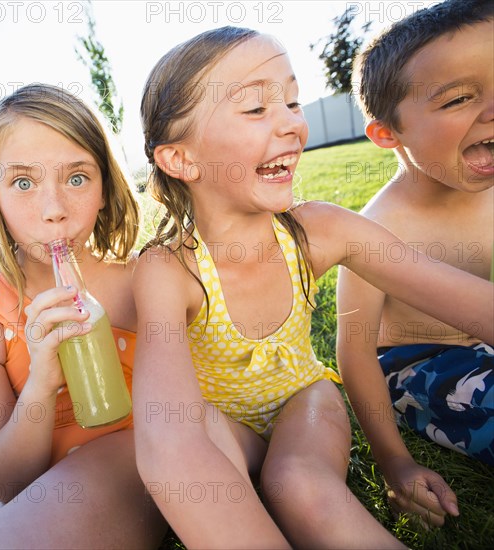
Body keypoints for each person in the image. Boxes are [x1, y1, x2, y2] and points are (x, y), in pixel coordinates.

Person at [132, 26, 493, 549]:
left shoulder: (319, 231)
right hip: (223, 426)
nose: (291, 123)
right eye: (256, 109)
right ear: (181, 160)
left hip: (306, 401)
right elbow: (169, 434)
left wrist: (394, 462)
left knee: (296, 483)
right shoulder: (168, 269)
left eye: (292, 101)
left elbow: (467, 301)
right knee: (200, 442)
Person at [0, 84, 166, 548]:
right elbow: (4, 483)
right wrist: (42, 382)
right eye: (23, 183)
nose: (53, 212)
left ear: (106, 186)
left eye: (77, 178)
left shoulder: (145, 281)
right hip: (28, 495)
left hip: (140, 474)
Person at [336, 0, 494, 528]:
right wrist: (394, 462)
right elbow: (354, 354)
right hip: (421, 366)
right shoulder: (377, 231)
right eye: (458, 98)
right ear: (389, 134)